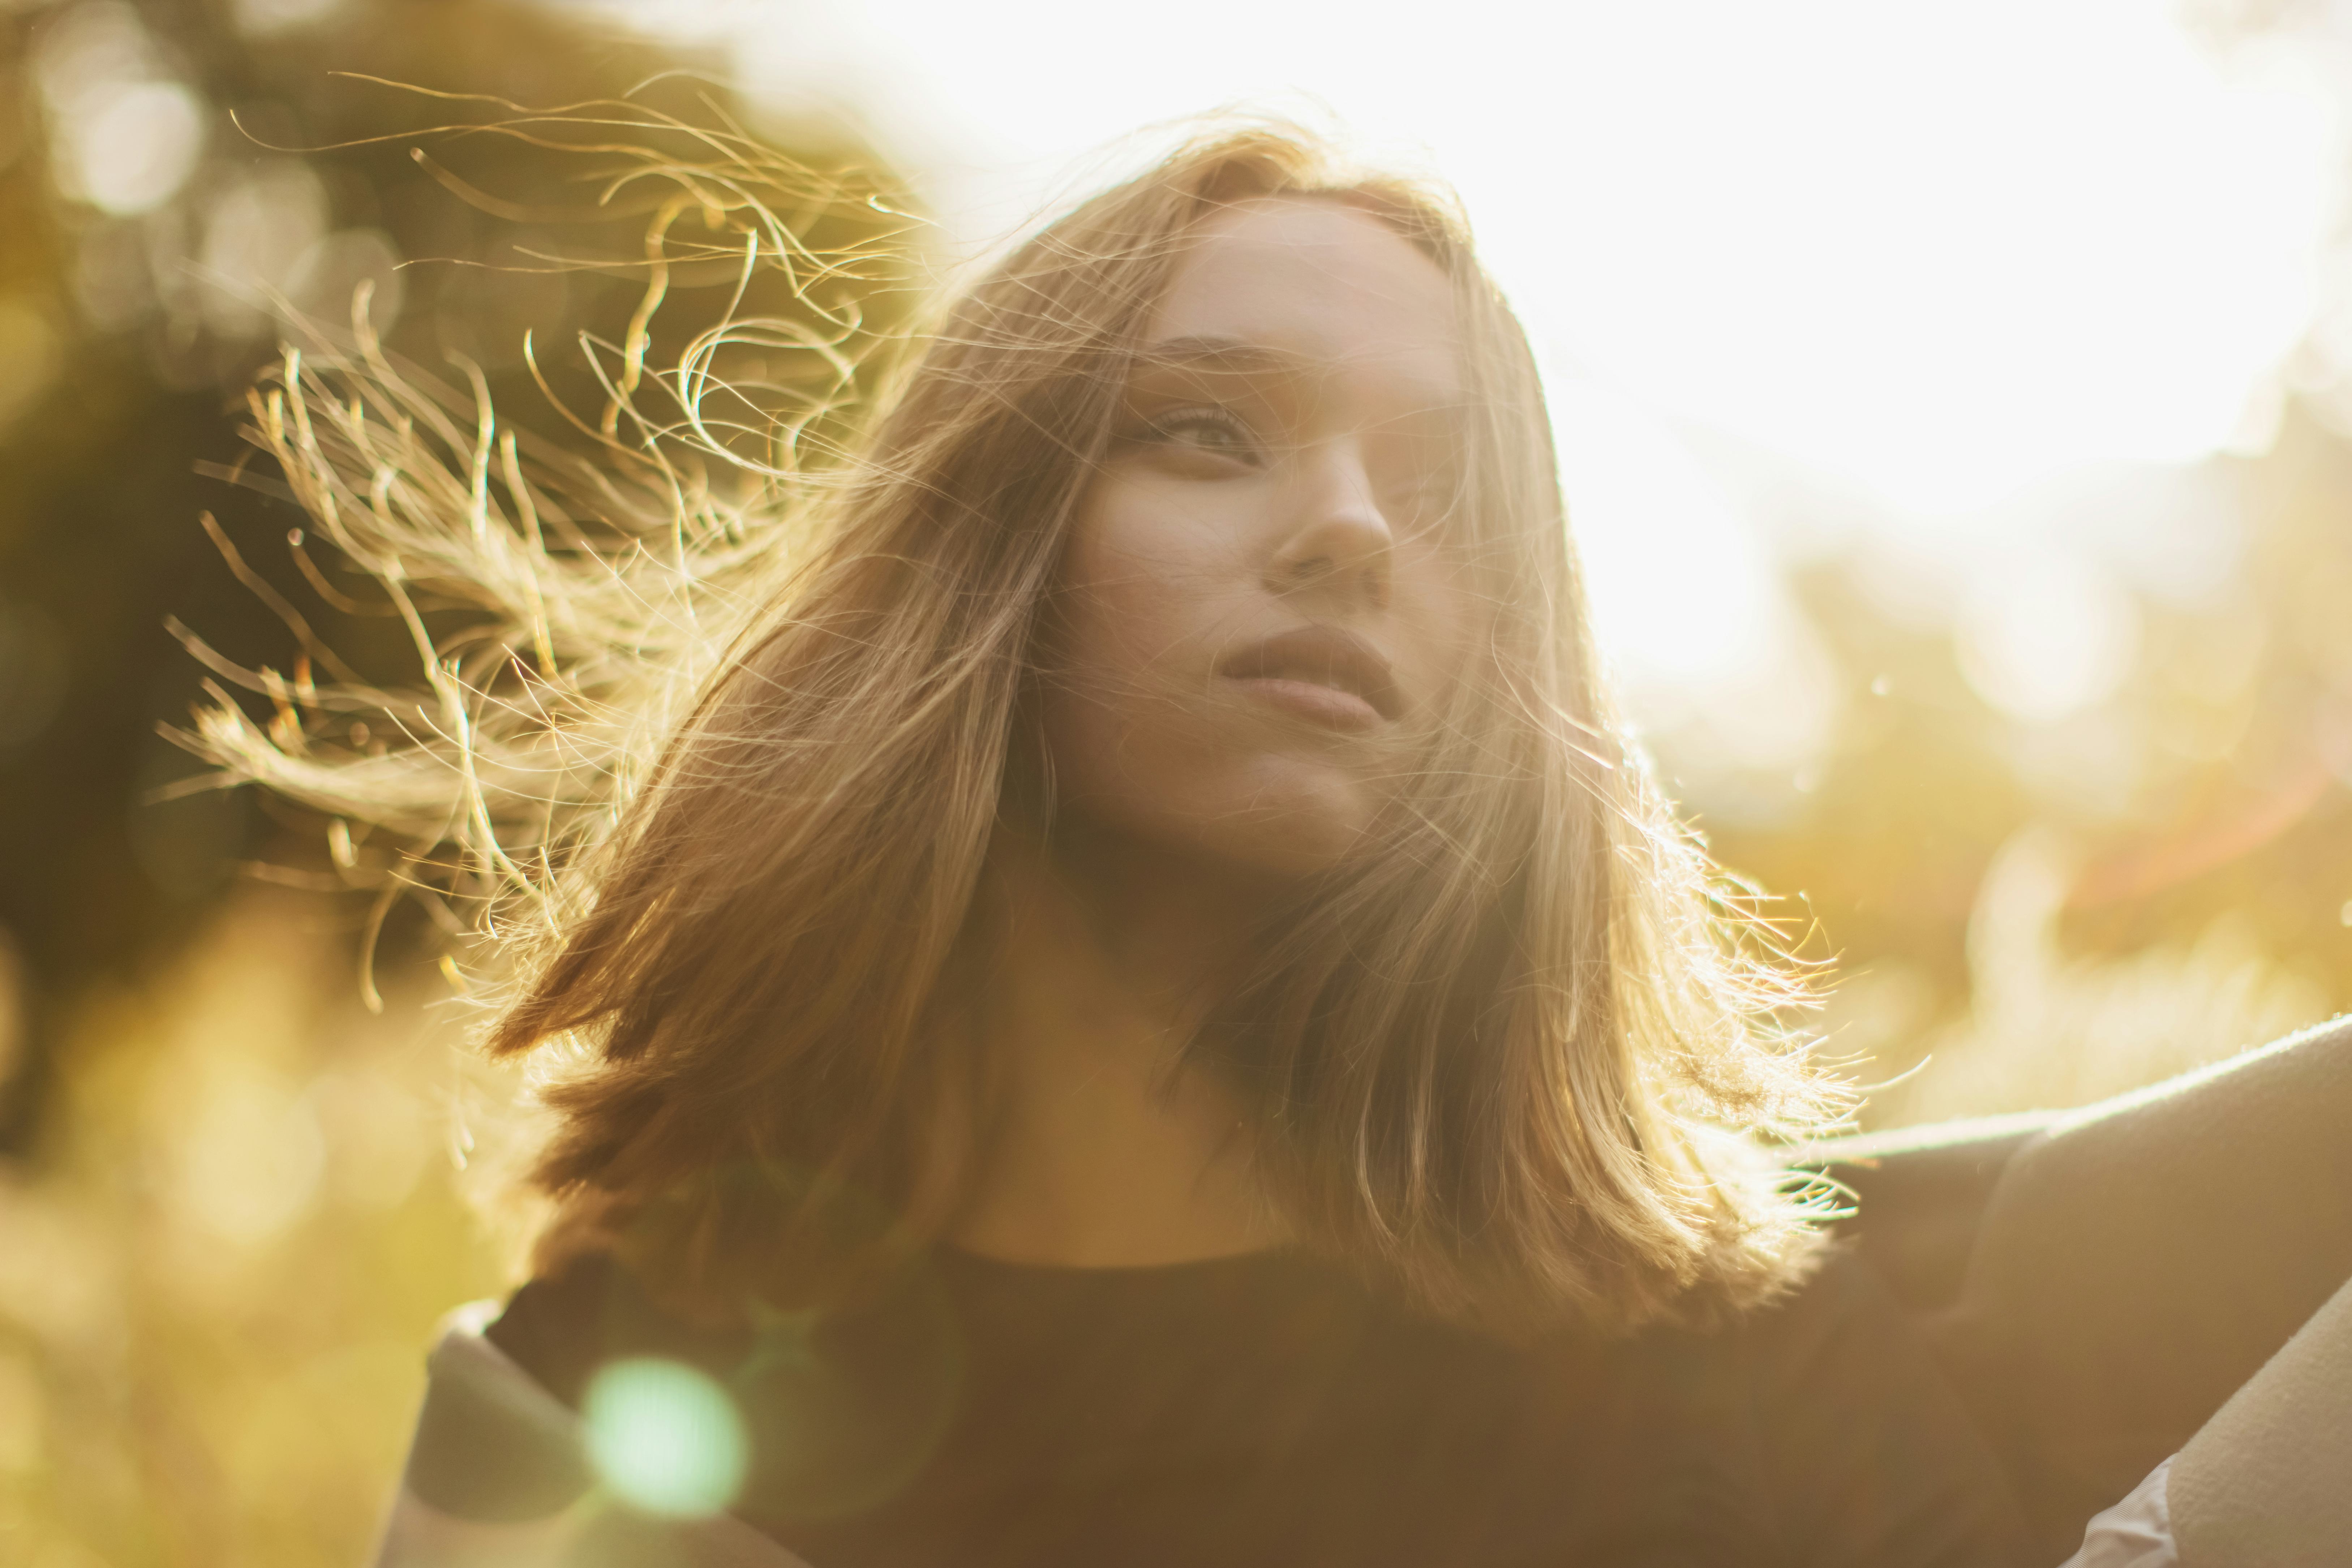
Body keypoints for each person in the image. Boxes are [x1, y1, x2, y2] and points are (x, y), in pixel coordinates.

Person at [196, 120, 2315, 1567]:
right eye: (1208, 432)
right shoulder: (591, 1422)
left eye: (1448, 496)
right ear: (984, 546)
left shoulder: (1736, 1361)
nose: (1351, 530)